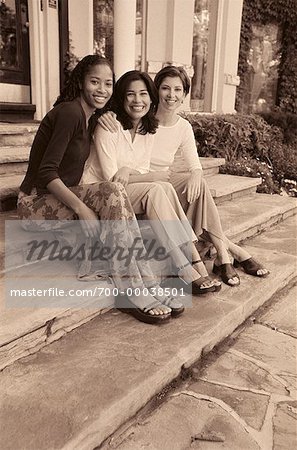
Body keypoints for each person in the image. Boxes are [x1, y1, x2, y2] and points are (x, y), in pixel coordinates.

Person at [17, 55, 180, 325]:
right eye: (94, 82)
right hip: (35, 206)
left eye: (107, 84)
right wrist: (83, 209)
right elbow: (47, 173)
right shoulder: (70, 113)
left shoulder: (90, 116)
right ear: (81, 82)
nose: (102, 89)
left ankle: (146, 282)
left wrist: (106, 115)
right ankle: (132, 289)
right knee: (112, 192)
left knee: (114, 192)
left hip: (58, 199)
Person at [82, 70, 221, 297]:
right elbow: (111, 181)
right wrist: (150, 177)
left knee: (164, 187)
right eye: (130, 94)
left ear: (150, 97)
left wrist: (130, 171)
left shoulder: (147, 129)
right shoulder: (108, 127)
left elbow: (142, 169)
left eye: (143, 94)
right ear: (121, 97)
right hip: (101, 194)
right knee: (157, 188)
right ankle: (184, 266)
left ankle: (193, 260)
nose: (138, 101)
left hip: (125, 192)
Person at [150, 65, 269, 285]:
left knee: (199, 183)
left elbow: (195, 165)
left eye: (178, 89)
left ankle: (223, 255)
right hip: (148, 187)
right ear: (156, 90)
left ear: (185, 94)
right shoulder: (144, 119)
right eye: (165, 88)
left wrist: (196, 174)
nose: (171, 95)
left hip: (166, 185)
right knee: (196, 195)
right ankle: (230, 252)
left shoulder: (183, 126)